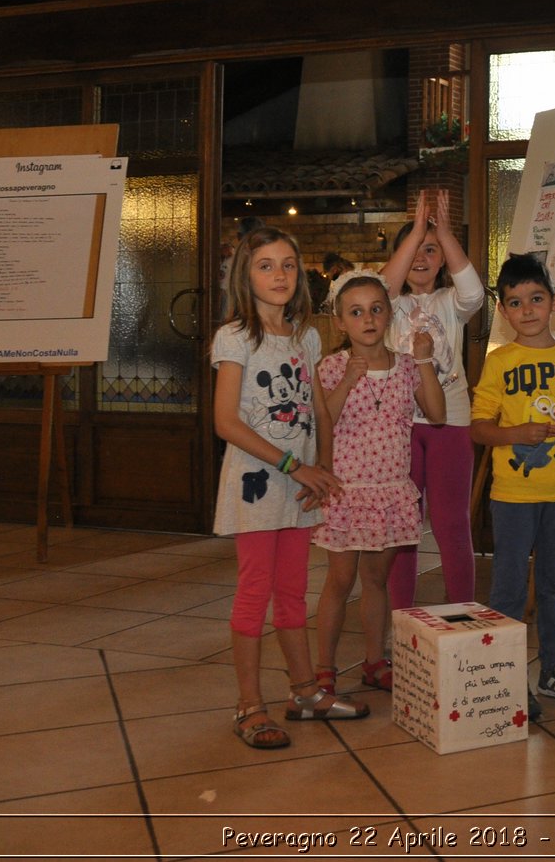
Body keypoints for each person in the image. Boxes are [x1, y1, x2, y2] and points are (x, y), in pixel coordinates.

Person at [210, 225, 361, 749]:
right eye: (265, 265)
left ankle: (304, 691)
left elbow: (317, 407)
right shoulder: (234, 337)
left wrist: (324, 466)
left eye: (288, 265)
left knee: (293, 592)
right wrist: (297, 466)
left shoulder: (306, 335)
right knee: (255, 591)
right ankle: (249, 705)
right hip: (257, 486)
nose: (279, 275)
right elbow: (227, 422)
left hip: (299, 485)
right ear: (244, 276)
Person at [471, 254, 555, 721]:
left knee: (554, 585)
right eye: (515, 303)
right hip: (513, 497)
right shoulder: (499, 363)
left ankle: (554, 669)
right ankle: (504, 677)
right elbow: (479, 429)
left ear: (554, 302)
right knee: (506, 589)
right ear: (503, 312)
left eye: (536, 299)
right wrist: (515, 435)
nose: (527, 310)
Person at [311, 274, 445, 695]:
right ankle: (324, 668)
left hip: (388, 490)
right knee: (339, 579)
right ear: (340, 324)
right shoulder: (330, 368)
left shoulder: (406, 366)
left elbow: (438, 415)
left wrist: (424, 361)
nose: (367, 319)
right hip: (346, 491)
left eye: (376, 309)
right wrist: (349, 380)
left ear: (389, 315)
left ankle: (374, 660)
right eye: (356, 312)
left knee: (375, 579)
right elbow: (322, 422)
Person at [380, 190, 488, 611]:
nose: (421, 258)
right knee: (404, 528)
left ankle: (462, 616)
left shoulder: (450, 303)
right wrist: (420, 231)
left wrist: (442, 232)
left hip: (451, 424)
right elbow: (382, 285)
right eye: (413, 250)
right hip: (399, 426)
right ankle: (402, 620)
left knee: (451, 525)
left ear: (443, 259)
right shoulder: (387, 306)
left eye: (431, 251)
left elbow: (474, 292)